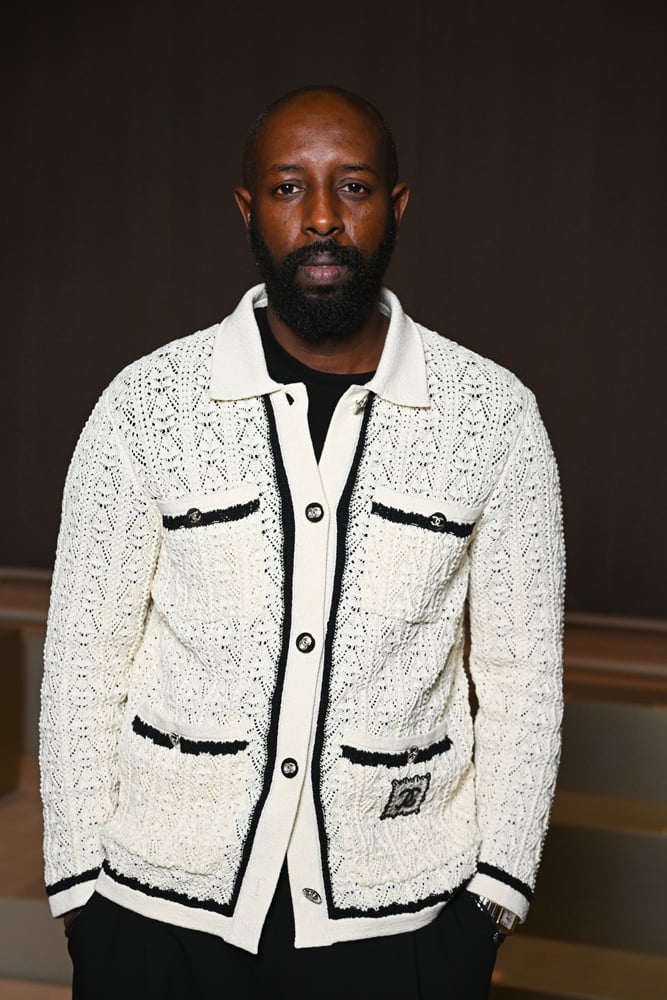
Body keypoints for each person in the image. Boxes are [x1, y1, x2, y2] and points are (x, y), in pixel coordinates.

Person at [40, 85, 565, 999]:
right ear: (250, 211)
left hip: (403, 924)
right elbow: (84, 662)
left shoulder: (495, 417)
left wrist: (491, 901)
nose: (321, 218)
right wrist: (85, 894)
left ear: (394, 207)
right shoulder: (144, 407)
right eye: (288, 189)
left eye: (352, 187)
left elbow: (524, 681)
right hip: (157, 917)